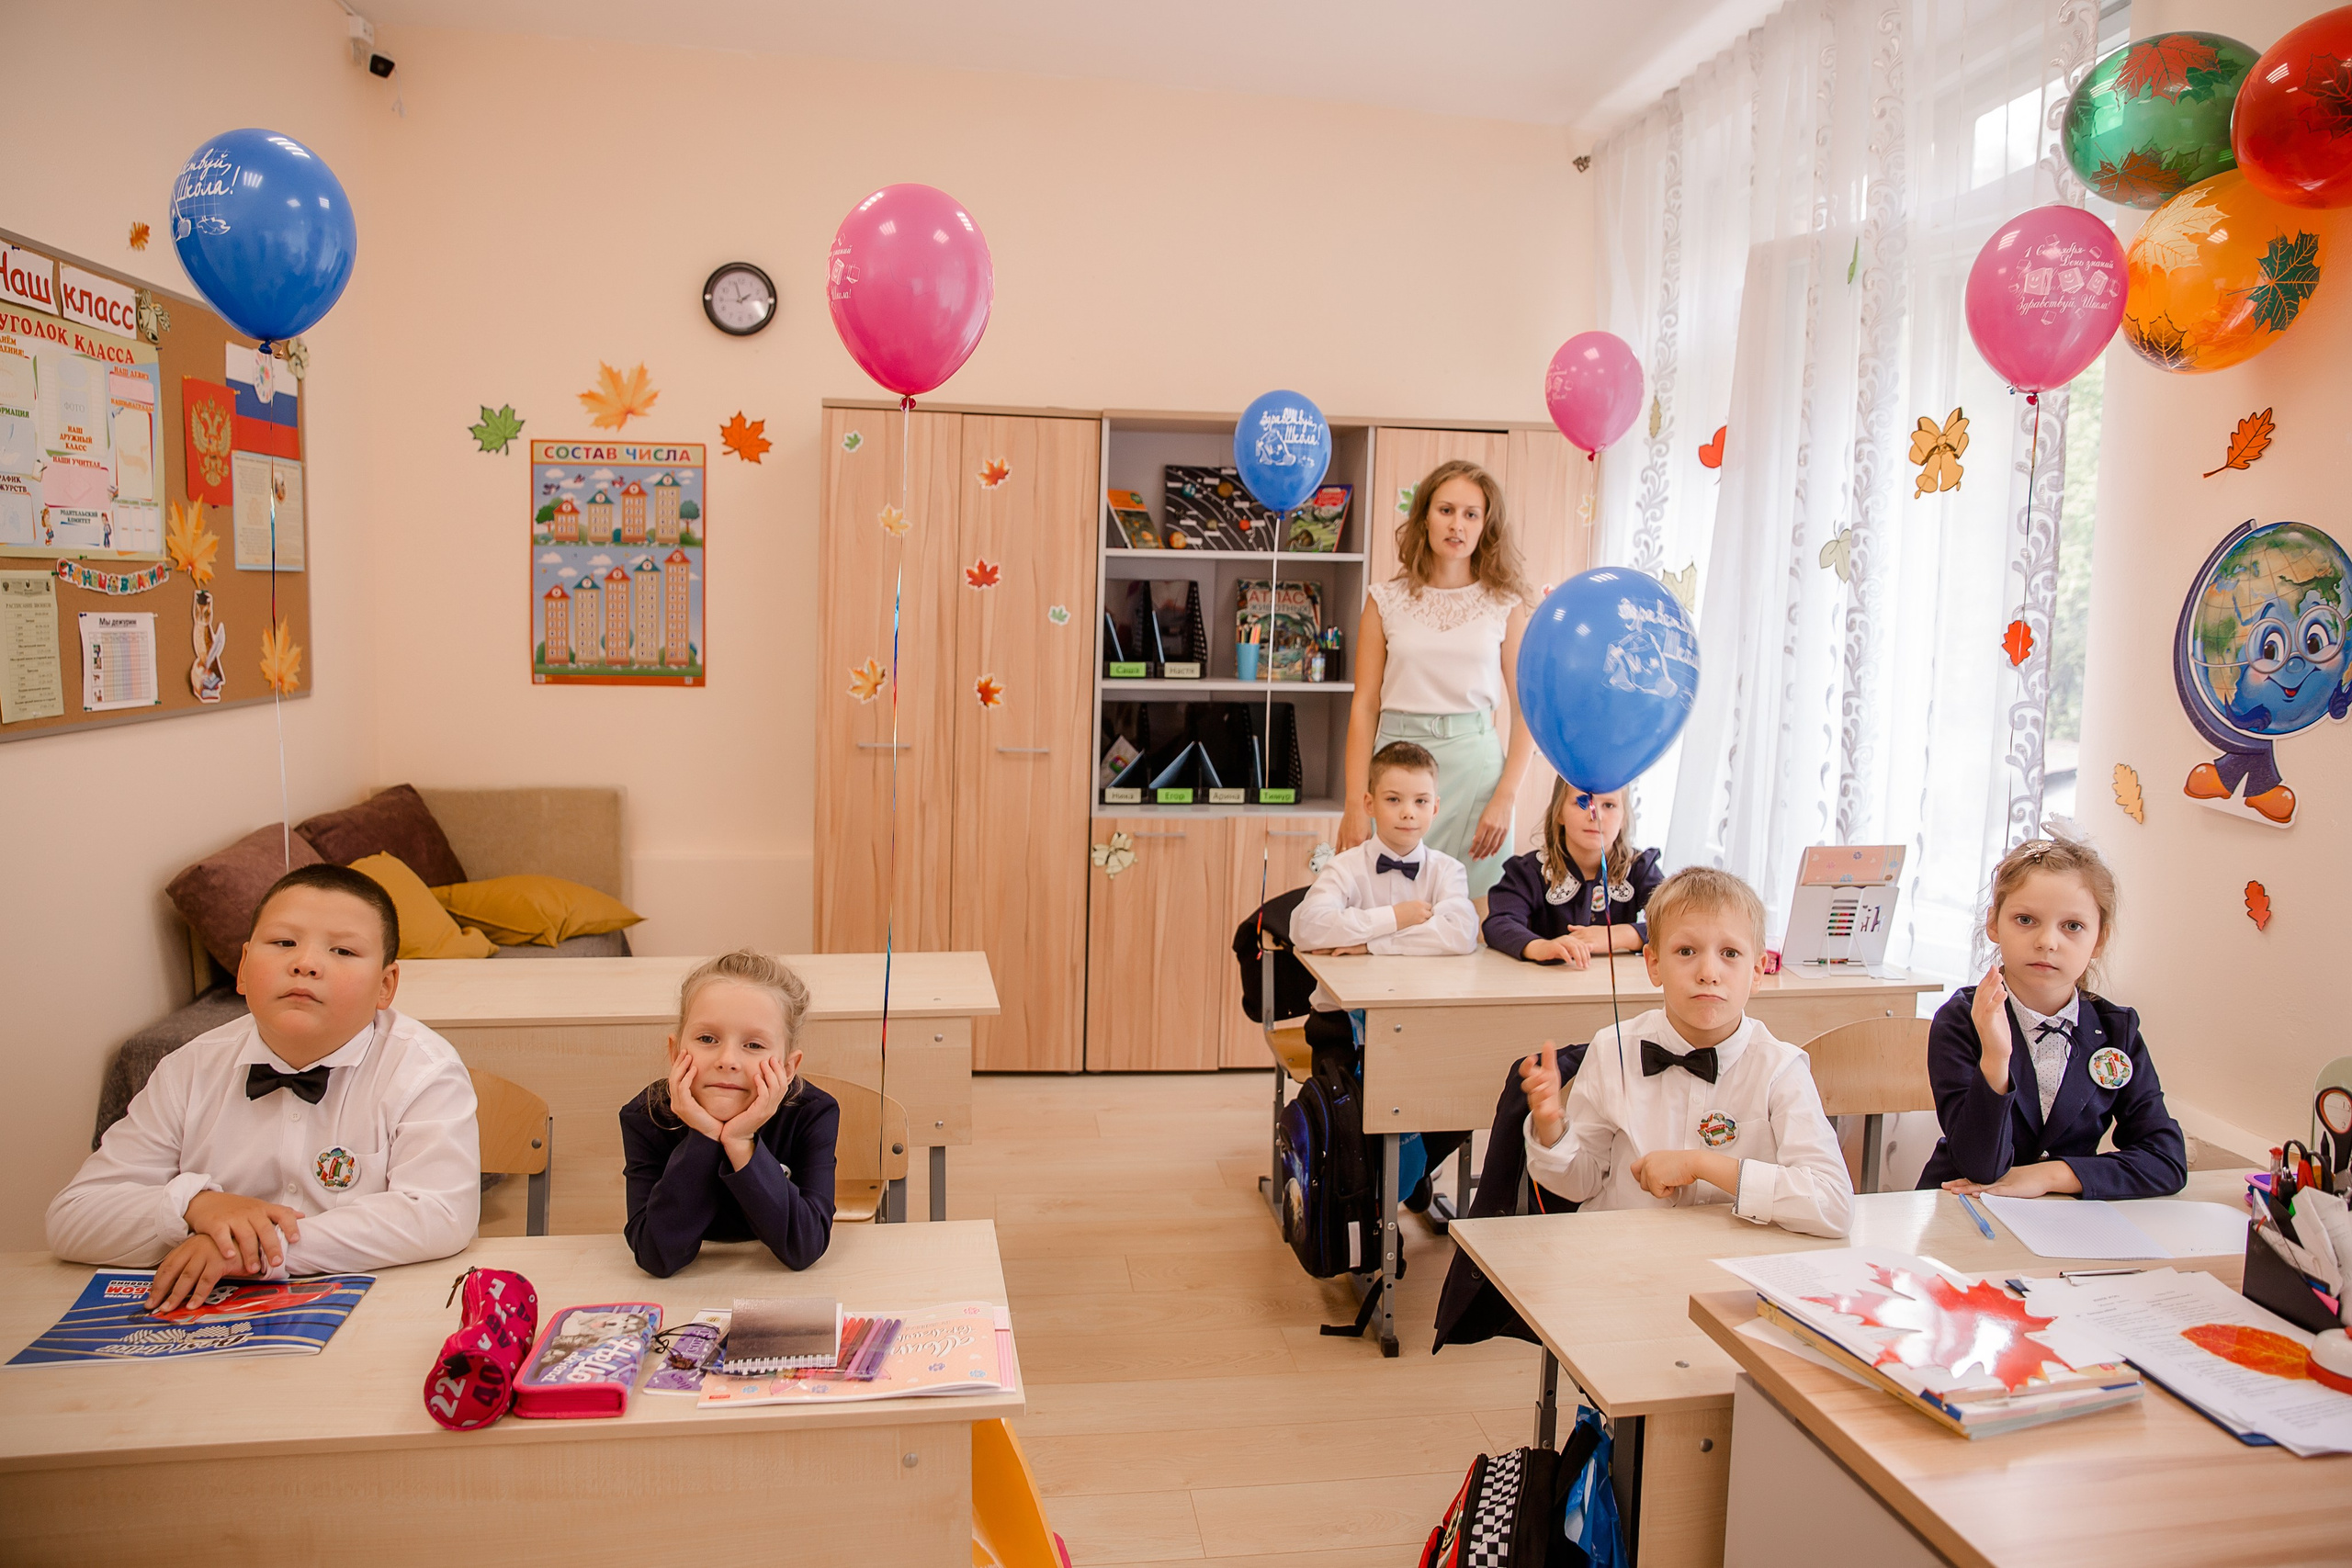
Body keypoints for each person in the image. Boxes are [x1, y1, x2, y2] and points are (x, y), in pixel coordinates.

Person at [47, 864, 481, 1311]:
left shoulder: (422, 1070)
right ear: (242, 967)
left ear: (385, 986)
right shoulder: (189, 1070)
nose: (306, 963)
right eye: (284, 943)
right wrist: (194, 1206)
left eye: (343, 951)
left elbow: (440, 1215)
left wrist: (249, 1249)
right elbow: (73, 1217)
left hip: (371, 1311)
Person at [1517, 866, 1853, 1235]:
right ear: (1654, 964)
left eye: (1730, 953)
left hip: (1732, 1269)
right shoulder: (1613, 1048)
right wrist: (1552, 1129)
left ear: (1757, 971)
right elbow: (1580, 1184)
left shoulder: (1780, 1070)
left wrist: (1701, 1165)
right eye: (1687, 951)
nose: (1709, 972)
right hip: (1624, 1258)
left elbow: (1833, 1204)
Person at [1917, 837, 2185, 1200]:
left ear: (2099, 939)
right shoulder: (1962, 1019)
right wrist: (1996, 1058)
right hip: (1961, 1207)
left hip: (2064, 1219)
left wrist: (2051, 1176)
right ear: (1994, 923)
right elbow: (1980, 1167)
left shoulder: (2116, 1030)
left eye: (2072, 926)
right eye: (2025, 920)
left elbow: (2166, 1161)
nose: (2047, 942)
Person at [1339, 459, 1537, 898]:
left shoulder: (1506, 604)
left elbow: (1527, 711)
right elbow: (1364, 705)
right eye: (1446, 510)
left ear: (1486, 525)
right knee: (1382, 907)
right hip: (1393, 771)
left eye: (1471, 514)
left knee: (1476, 918)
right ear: (1424, 515)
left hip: (1475, 773)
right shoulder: (1383, 600)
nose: (1457, 525)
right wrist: (1356, 801)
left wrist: (1506, 796)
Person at [1295, 739, 1480, 1207]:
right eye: (1394, 800)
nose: (1407, 813)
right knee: (1356, 1120)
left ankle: (1410, 1174)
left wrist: (1370, 941)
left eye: (1420, 802)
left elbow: (1459, 934)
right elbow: (1307, 927)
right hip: (1340, 1025)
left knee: (1468, 1090)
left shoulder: (1446, 871)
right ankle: (1369, 1214)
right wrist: (1396, 916)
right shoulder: (1345, 867)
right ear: (1370, 803)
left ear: (1436, 807)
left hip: (1420, 1023)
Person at [620, 949, 839, 1277]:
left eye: (753, 1045)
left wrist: (740, 1141)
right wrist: (705, 1136)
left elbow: (804, 1247)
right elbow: (656, 1256)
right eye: (707, 1038)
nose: (727, 1060)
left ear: (789, 1066)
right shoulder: (645, 1116)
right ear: (675, 1051)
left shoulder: (813, 1113)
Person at [1484, 782, 1663, 966]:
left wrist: (1617, 936)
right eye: (1583, 803)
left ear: (1624, 818)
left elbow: (1677, 923)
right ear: (1559, 812)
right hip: (1547, 986)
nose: (1596, 816)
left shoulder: (1641, 868)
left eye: (1609, 805)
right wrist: (1541, 947)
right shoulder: (1528, 871)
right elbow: (1499, 922)